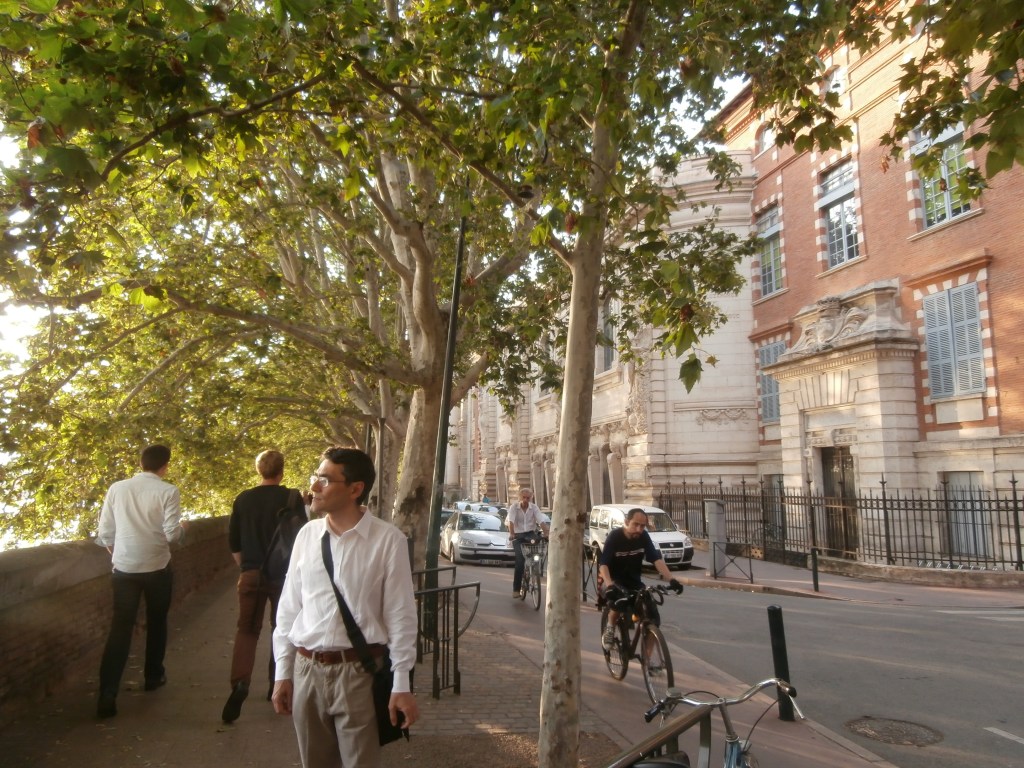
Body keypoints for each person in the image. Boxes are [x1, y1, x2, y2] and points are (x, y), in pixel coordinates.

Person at [272, 447, 419, 768]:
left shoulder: (387, 540)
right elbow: (288, 608)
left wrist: (401, 684)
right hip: (307, 670)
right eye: (315, 477)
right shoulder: (307, 535)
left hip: (359, 673)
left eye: (325, 480)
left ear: (355, 489)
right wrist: (282, 672)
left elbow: (401, 617)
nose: (314, 487)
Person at [94, 444, 187, 719]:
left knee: (120, 628)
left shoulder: (117, 489)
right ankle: (153, 676)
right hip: (157, 567)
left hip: (124, 569)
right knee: (157, 621)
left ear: (141, 463)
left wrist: (119, 554)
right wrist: (184, 529)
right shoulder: (168, 491)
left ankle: (107, 692)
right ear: (165, 466)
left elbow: (105, 532)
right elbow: (171, 535)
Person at [222, 449, 307, 724]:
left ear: (259, 470)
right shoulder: (291, 498)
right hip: (283, 575)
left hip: (251, 573)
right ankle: (275, 683)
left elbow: (234, 540)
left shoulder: (243, 499)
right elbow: (302, 537)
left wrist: (246, 567)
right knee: (280, 627)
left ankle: (240, 682)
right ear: (281, 471)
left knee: (247, 629)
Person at [598, 507, 683, 649]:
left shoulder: (643, 537)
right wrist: (610, 585)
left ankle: (649, 660)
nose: (639, 529)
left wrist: (672, 580)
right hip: (613, 581)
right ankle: (610, 627)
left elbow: (656, 560)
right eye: (635, 524)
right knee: (618, 602)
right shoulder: (615, 537)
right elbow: (603, 564)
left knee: (653, 618)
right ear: (626, 522)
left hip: (634, 582)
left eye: (642, 526)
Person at [506, 488, 548, 597]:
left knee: (536, 551)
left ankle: (533, 568)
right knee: (520, 561)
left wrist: (546, 533)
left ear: (531, 498)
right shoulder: (514, 507)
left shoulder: (534, 507)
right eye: (523, 497)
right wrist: (512, 533)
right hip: (517, 535)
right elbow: (511, 521)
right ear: (520, 497)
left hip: (530, 534)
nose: (525, 500)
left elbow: (541, 520)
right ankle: (516, 589)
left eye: (528, 498)